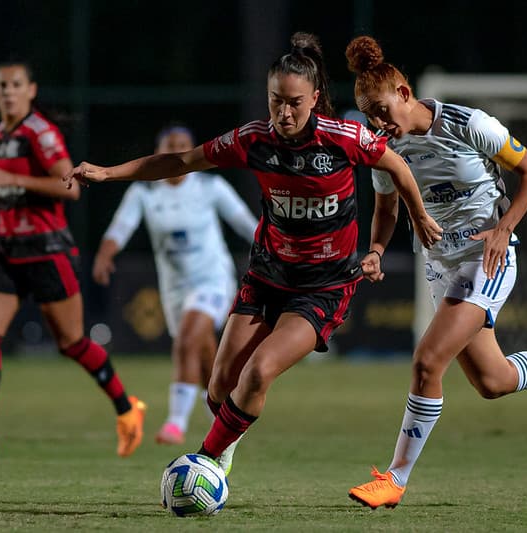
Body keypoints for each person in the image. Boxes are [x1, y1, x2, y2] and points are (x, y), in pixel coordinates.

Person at [63, 33, 442, 476]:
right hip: (266, 277)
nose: (284, 113)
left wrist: (414, 218)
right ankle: (221, 452)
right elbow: (181, 162)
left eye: (295, 103)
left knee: (259, 371)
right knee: (220, 387)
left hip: (323, 287)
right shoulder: (253, 139)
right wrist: (107, 173)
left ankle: (204, 464)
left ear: (314, 99)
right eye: (276, 101)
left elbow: (397, 166)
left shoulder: (343, 137)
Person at [344, 35, 527, 510]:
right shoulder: (382, 146)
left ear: (404, 93)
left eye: (381, 110)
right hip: (440, 265)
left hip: (487, 258)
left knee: (426, 361)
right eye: (369, 115)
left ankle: (395, 478)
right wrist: (375, 249)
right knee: (493, 381)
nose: (378, 122)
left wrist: (504, 228)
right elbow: (386, 208)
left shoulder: (468, 124)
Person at [0, 61, 145, 458]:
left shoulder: (40, 133)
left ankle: (126, 408)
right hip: (7, 248)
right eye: (1, 85)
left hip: (47, 249)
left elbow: (70, 187)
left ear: (31, 91)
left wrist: (11, 179)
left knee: (72, 343)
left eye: (16, 84)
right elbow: (14, 191)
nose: (8, 91)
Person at [92, 124, 258, 445]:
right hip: (174, 289)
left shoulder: (210, 186)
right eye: (169, 146)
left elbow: (245, 223)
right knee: (205, 354)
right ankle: (223, 422)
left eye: (182, 144)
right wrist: (104, 255)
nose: (176, 151)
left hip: (212, 279)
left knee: (187, 338)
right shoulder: (144, 192)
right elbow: (120, 228)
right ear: (157, 154)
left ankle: (175, 423)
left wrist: (274, 250)